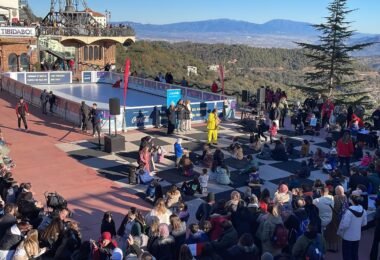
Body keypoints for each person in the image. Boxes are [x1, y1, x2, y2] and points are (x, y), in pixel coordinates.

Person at [337, 194, 367, 260]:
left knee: (346, 255)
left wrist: (340, 231)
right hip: (357, 236)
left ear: (351, 200)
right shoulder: (363, 211)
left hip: (347, 237)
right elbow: (364, 223)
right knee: (355, 254)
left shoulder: (348, 212)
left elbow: (345, 225)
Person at [324, 185, 349, 252]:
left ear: (337, 191)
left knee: (331, 232)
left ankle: (332, 247)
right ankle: (337, 246)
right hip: (341, 217)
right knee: (338, 232)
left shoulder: (335, 198)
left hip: (334, 217)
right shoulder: (345, 197)